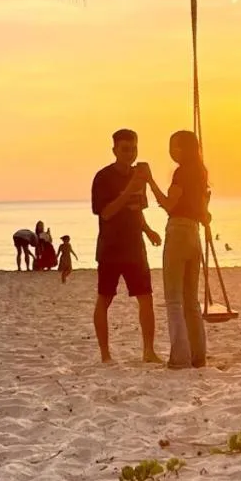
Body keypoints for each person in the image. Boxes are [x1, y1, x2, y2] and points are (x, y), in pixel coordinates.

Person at [91, 128, 163, 365]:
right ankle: (105, 354)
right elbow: (107, 212)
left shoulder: (138, 176)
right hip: (110, 247)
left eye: (133, 149)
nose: (130, 154)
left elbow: (137, 209)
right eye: (125, 149)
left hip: (135, 247)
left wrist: (148, 229)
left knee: (146, 298)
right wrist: (129, 188)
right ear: (114, 150)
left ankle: (148, 351)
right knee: (105, 298)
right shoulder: (103, 177)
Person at [146, 131, 208, 370]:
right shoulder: (201, 174)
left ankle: (180, 356)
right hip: (194, 232)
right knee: (191, 300)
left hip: (179, 230)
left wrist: (150, 181)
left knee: (173, 299)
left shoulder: (182, 173)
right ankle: (198, 355)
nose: (171, 151)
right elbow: (204, 212)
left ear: (184, 149)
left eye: (174, 146)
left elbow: (169, 204)